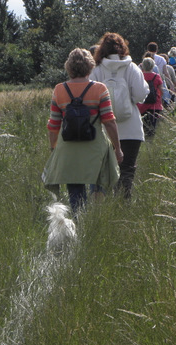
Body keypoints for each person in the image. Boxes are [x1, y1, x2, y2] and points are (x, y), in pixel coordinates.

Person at [42, 48, 124, 212]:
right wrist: (117, 148)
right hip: (95, 146)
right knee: (99, 181)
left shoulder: (59, 90)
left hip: (69, 147)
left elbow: (53, 124)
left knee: (75, 188)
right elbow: (109, 122)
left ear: (69, 67)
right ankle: (96, 217)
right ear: (90, 67)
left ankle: (79, 221)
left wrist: (53, 147)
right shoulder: (99, 89)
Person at [91, 32, 149, 200]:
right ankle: (124, 204)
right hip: (131, 129)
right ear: (123, 47)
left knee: (104, 170)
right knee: (127, 169)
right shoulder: (131, 68)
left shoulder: (98, 69)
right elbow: (140, 94)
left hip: (104, 129)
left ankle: (105, 205)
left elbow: (92, 100)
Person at [137, 57, 163, 138]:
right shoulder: (157, 76)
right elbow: (161, 90)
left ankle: (144, 140)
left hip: (141, 105)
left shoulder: (140, 76)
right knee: (153, 127)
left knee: (143, 126)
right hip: (155, 105)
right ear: (153, 66)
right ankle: (151, 142)